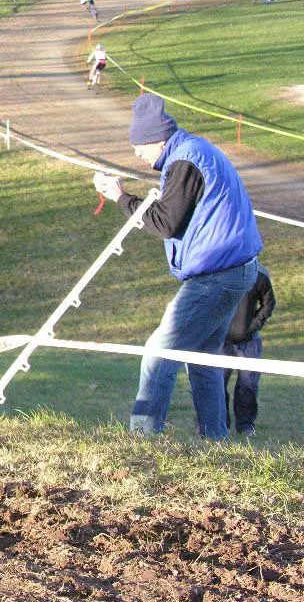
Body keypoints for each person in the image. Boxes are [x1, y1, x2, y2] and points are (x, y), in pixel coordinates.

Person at [93, 93, 262, 440]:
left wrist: (121, 197)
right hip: (236, 270)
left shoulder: (185, 161)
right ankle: (215, 442)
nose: (138, 154)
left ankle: (143, 440)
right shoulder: (194, 152)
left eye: (140, 146)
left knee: (158, 353)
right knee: (203, 358)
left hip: (217, 275)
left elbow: (165, 223)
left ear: (158, 138)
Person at [221, 264, 275, 436]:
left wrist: (254, 325)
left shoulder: (259, 274)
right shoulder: (218, 270)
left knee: (248, 386)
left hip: (249, 342)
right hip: (219, 342)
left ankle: (245, 426)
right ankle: (218, 425)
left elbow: (269, 303)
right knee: (216, 384)